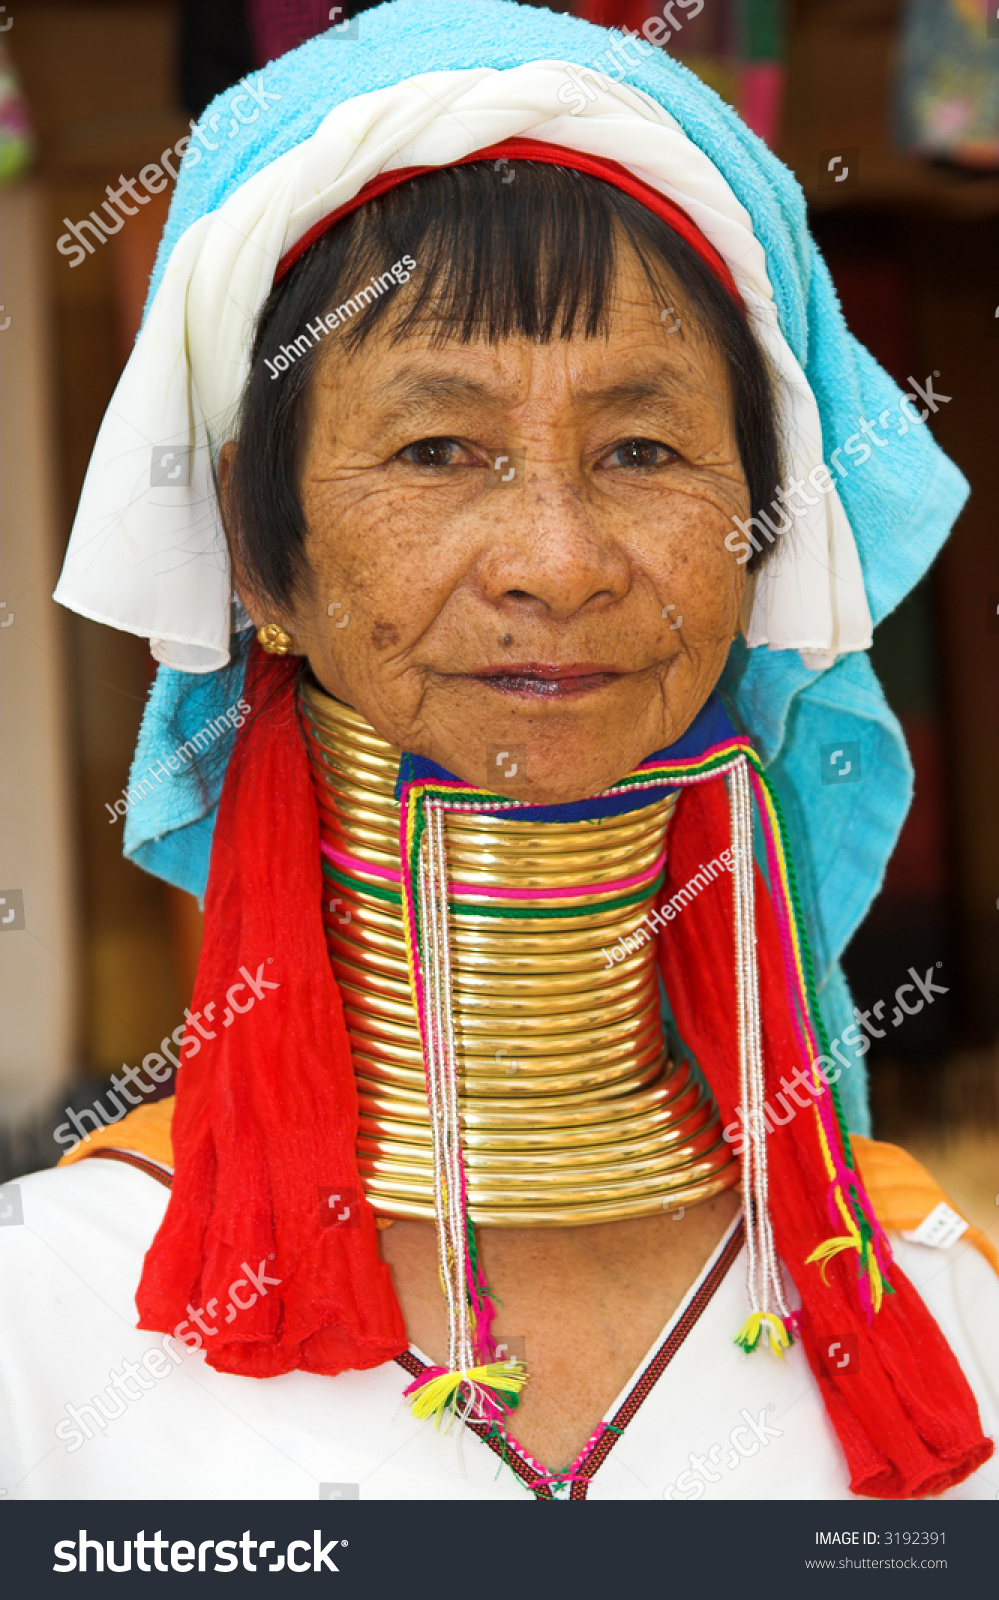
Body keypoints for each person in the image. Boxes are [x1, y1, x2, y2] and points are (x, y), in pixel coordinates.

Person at [1, 0, 996, 1502]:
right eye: (435, 448)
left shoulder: (943, 1306)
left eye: (644, 451)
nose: (558, 559)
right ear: (252, 558)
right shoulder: (46, 1326)